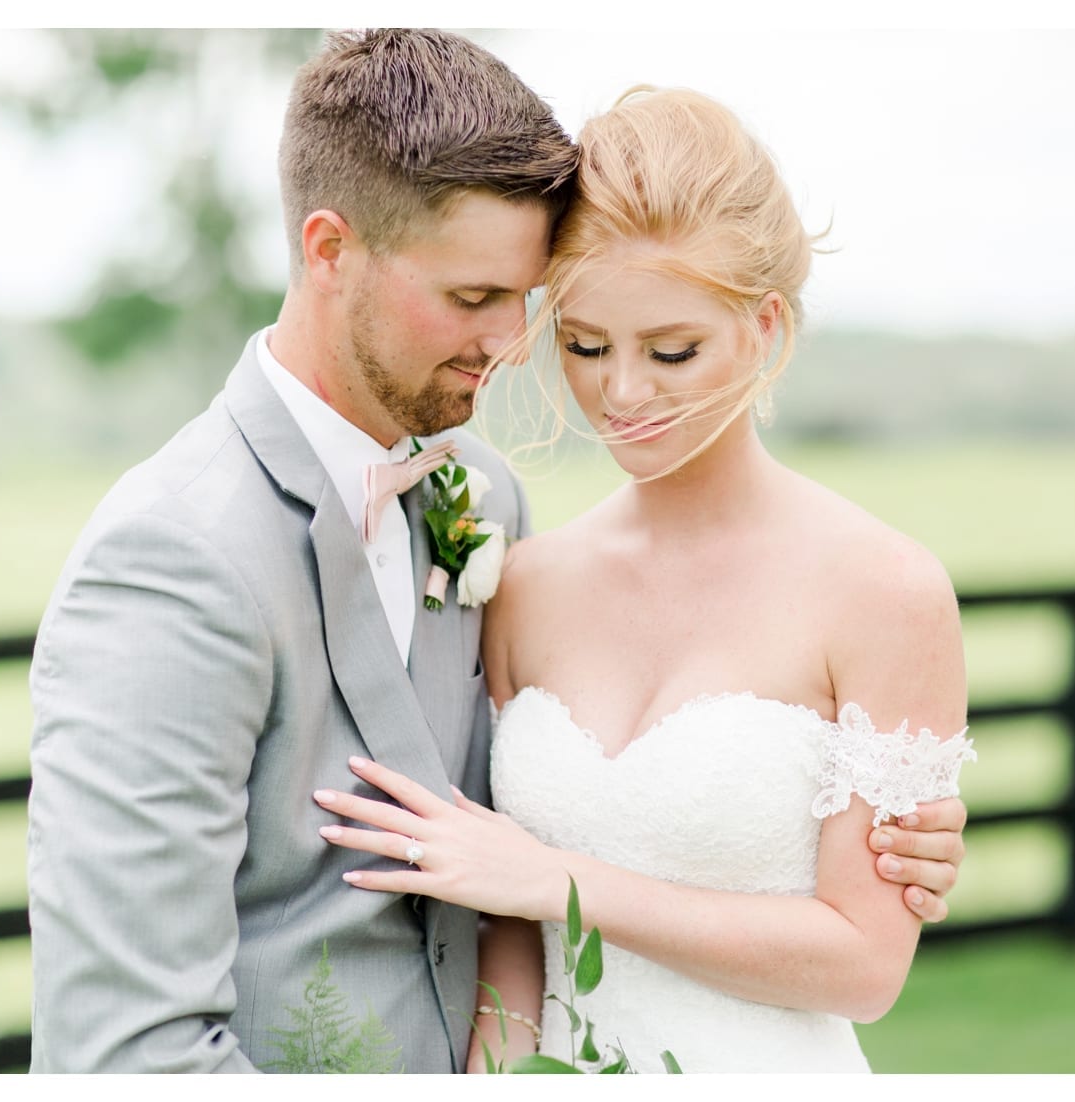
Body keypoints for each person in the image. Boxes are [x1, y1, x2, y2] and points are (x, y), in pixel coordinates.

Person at [28, 31, 965, 1074]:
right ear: (330, 250)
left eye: (524, 302)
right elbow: (122, 1051)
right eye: (477, 300)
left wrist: (863, 835)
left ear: (766, 328)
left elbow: (526, 853)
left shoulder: (481, 500)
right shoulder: (177, 553)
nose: (517, 344)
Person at [312, 85, 974, 1074]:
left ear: (765, 328)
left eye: (672, 350)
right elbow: (509, 934)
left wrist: (556, 880)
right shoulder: (525, 584)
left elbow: (864, 965)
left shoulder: (883, 591)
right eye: (584, 347)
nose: (622, 393)